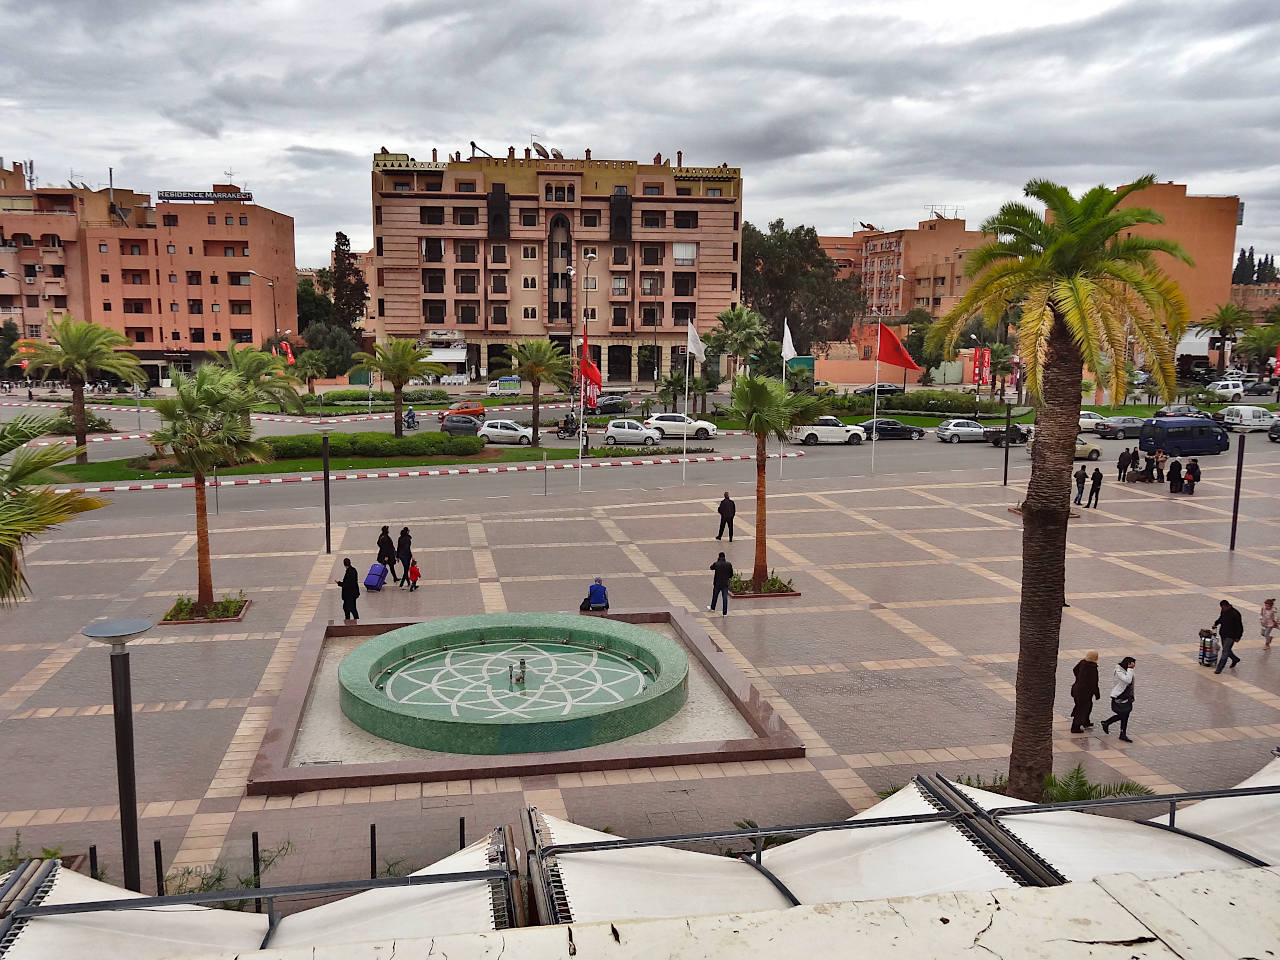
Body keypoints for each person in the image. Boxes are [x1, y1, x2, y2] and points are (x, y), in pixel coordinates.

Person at [1100, 656, 1136, 743]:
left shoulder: (1127, 670)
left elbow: (1131, 684)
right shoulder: (1119, 671)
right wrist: (1130, 669)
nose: (1133, 666)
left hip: (1127, 697)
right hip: (1119, 696)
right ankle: (1108, 723)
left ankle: (1122, 733)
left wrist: (1132, 695)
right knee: (1123, 715)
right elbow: (1127, 680)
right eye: (1132, 664)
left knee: (1126, 715)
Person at [1069, 650, 1100, 733]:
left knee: (1087, 706)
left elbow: (1075, 669)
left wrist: (1079, 679)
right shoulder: (1092, 668)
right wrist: (1097, 694)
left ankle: (1085, 721)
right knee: (1081, 709)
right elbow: (1094, 683)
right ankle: (1075, 727)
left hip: (1077, 689)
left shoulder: (1082, 663)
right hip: (1084, 693)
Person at [1212, 599, 1243, 673]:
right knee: (1227, 650)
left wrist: (1238, 637)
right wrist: (1216, 623)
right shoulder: (1223, 611)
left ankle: (1219, 668)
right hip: (1223, 633)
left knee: (1225, 651)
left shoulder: (1235, 613)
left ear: (1227, 606)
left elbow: (1240, 626)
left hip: (1231, 636)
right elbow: (1221, 618)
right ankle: (1235, 659)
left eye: (1223, 607)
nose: (1222, 609)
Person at [336, 557, 360, 623]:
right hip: (353, 593)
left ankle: (350, 620)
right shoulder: (353, 570)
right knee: (350, 608)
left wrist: (339, 583)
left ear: (344, 564)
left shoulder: (349, 572)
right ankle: (351, 620)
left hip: (349, 594)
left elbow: (347, 584)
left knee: (349, 608)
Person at [709, 551, 733, 617]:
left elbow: (711, 567)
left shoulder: (716, 564)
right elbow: (731, 574)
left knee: (715, 596)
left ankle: (712, 608)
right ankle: (724, 613)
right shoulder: (729, 564)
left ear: (719, 557)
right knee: (725, 597)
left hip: (717, 583)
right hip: (725, 583)